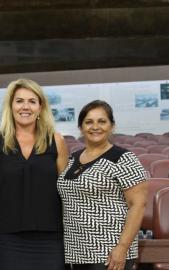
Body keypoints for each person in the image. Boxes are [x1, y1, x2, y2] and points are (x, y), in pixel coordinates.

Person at [0, 78, 69, 270]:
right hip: (6, 237)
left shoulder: (56, 141)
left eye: (32, 101)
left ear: (41, 107)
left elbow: (67, 193)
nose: (26, 107)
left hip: (50, 238)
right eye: (19, 101)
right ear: (11, 106)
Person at [57, 100, 148, 270]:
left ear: (112, 126)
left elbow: (138, 205)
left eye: (102, 121)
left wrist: (122, 247)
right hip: (76, 251)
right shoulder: (72, 159)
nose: (95, 126)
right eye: (89, 122)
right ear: (81, 127)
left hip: (108, 251)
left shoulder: (124, 158)